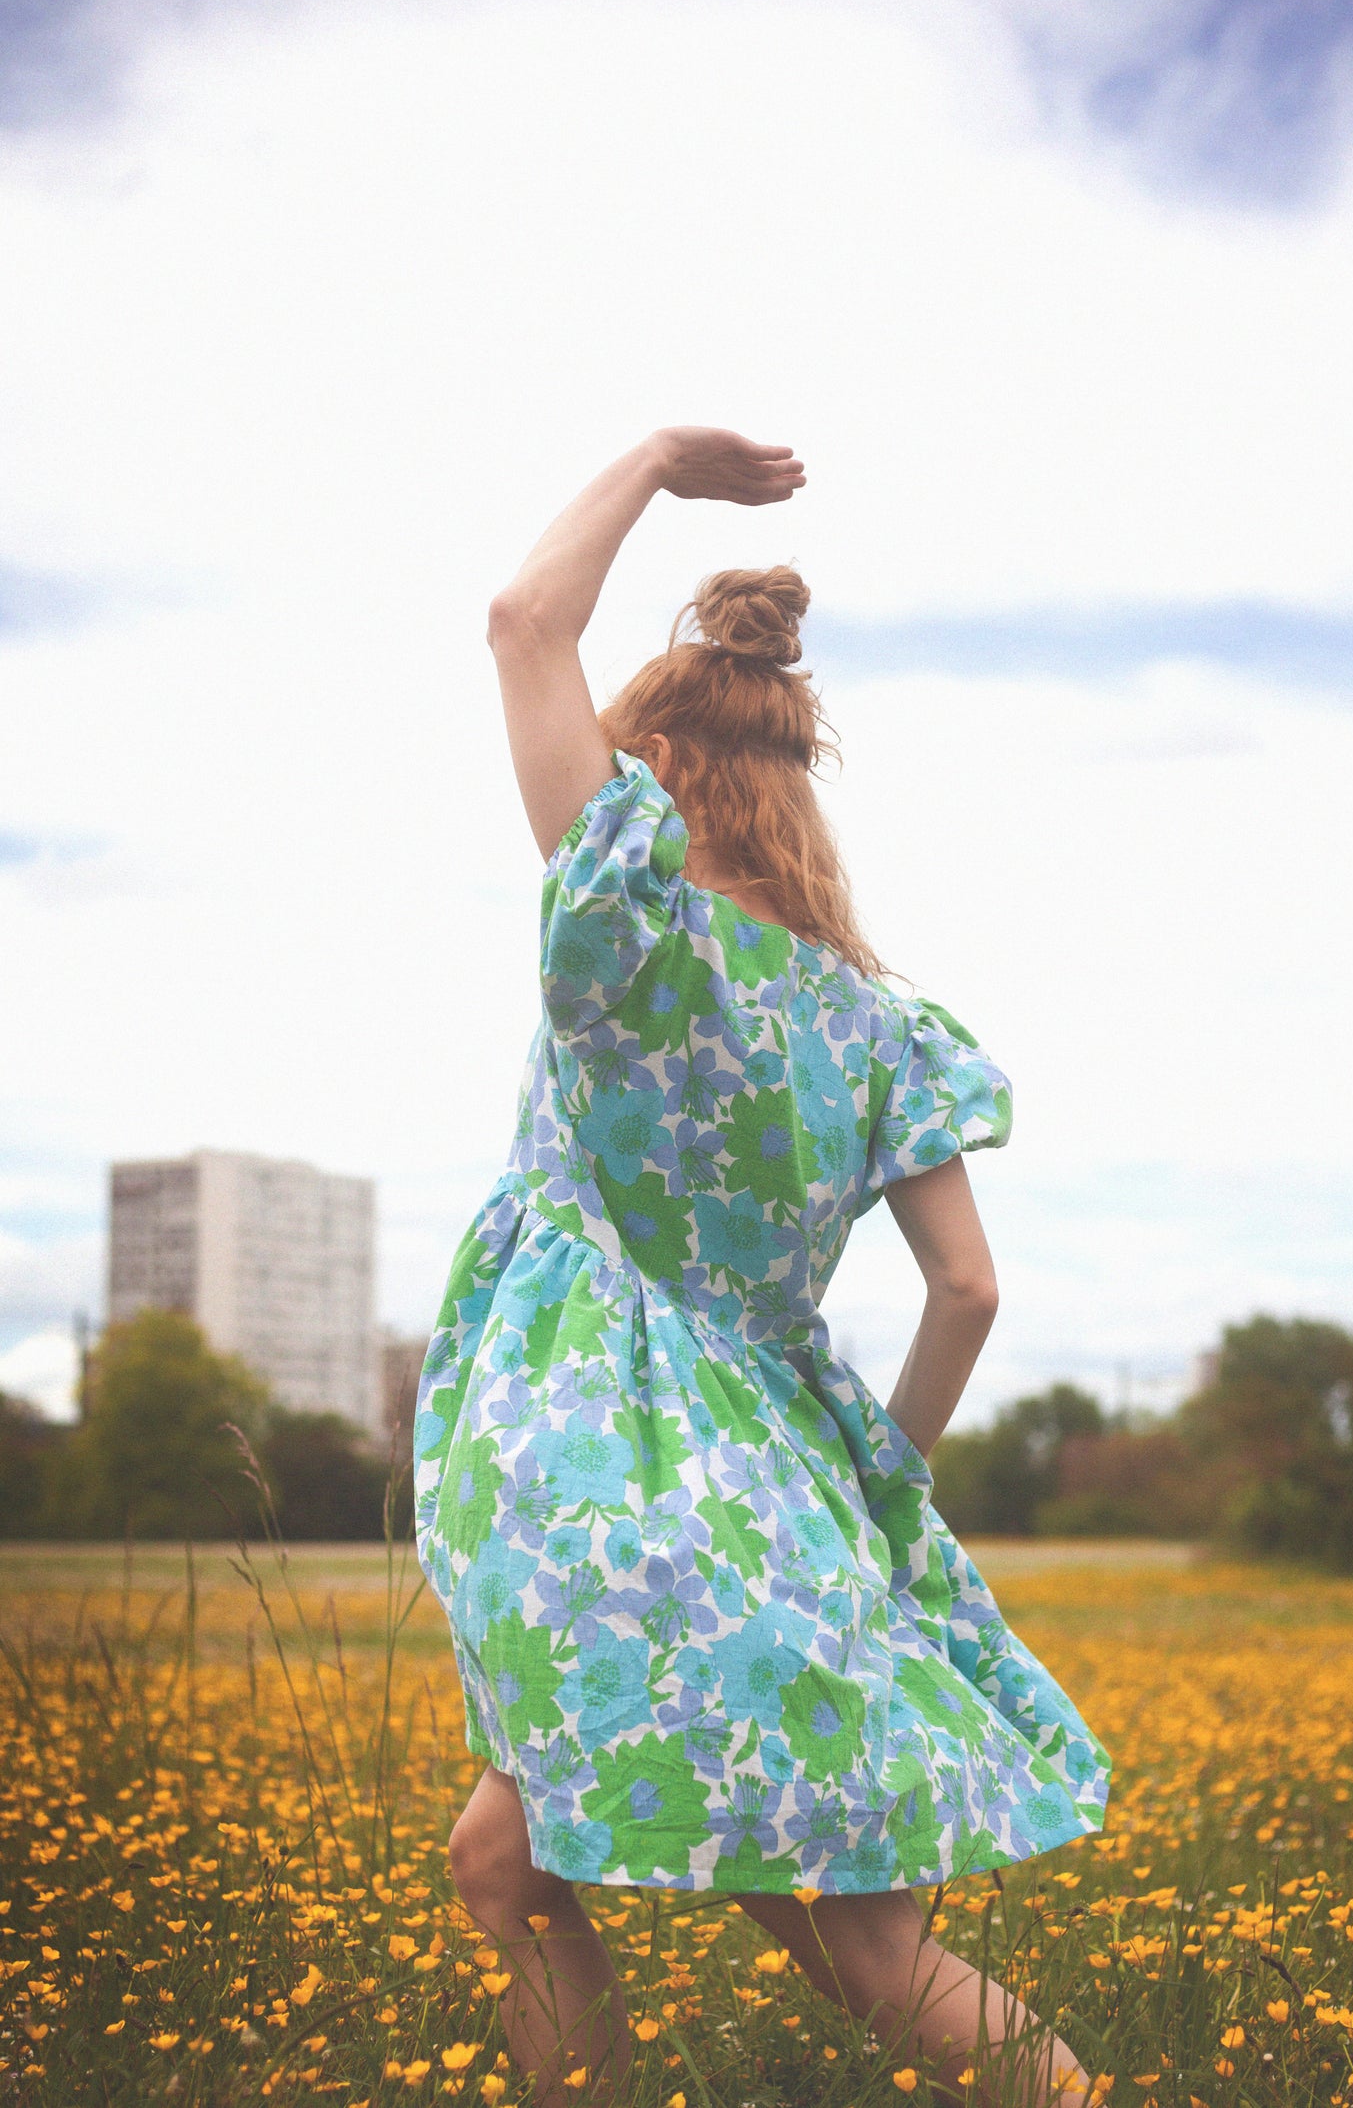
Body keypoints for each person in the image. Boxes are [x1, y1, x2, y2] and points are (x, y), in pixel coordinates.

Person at [414, 427, 1110, 2106]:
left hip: (594, 1491)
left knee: (853, 1954)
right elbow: (968, 1296)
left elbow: (523, 621)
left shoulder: (625, 904)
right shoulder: (876, 1027)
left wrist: (655, 459)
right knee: (508, 1864)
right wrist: (876, 1482)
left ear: (643, 761)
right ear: (796, 785)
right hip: (780, 1504)